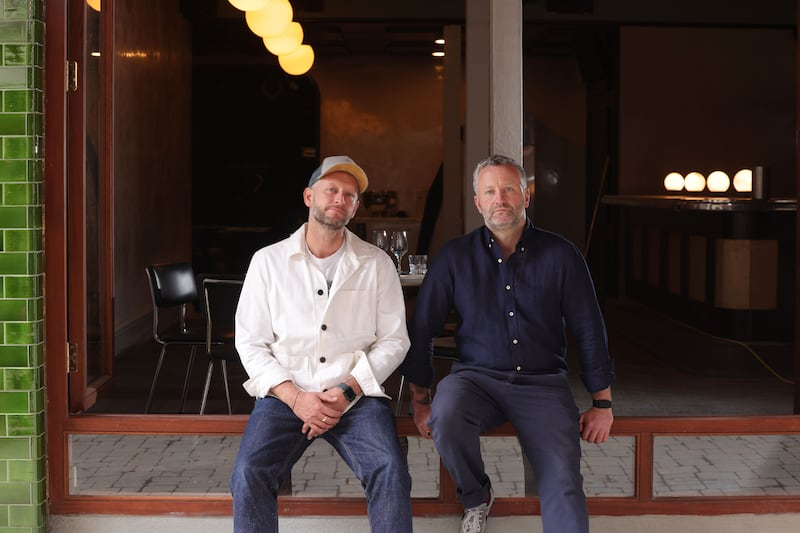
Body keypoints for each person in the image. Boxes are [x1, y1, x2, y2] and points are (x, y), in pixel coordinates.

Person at [401, 154, 615, 533]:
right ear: (478, 202)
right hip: (475, 381)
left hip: (542, 384)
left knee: (563, 482)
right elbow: (423, 329)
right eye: (490, 191)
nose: (500, 198)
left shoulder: (562, 255)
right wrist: (421, 402)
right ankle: (475, 497)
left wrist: (602, 403)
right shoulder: (454, 257)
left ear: (526, 196)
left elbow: (589, 328)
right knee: (445, 413)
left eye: (509, 189)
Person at [230, 155, 413, 533]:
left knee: (390, 470)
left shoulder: (376, 263)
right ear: (309, 196)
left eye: (350, 195)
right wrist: (296, 397)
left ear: (356, 206)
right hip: (286, 397)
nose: (340, 199)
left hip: (356, 398)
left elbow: (395, 340)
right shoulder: (268, 262)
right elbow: (250, 343)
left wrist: (348, 390)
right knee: (249, 473)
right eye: (331, 190)